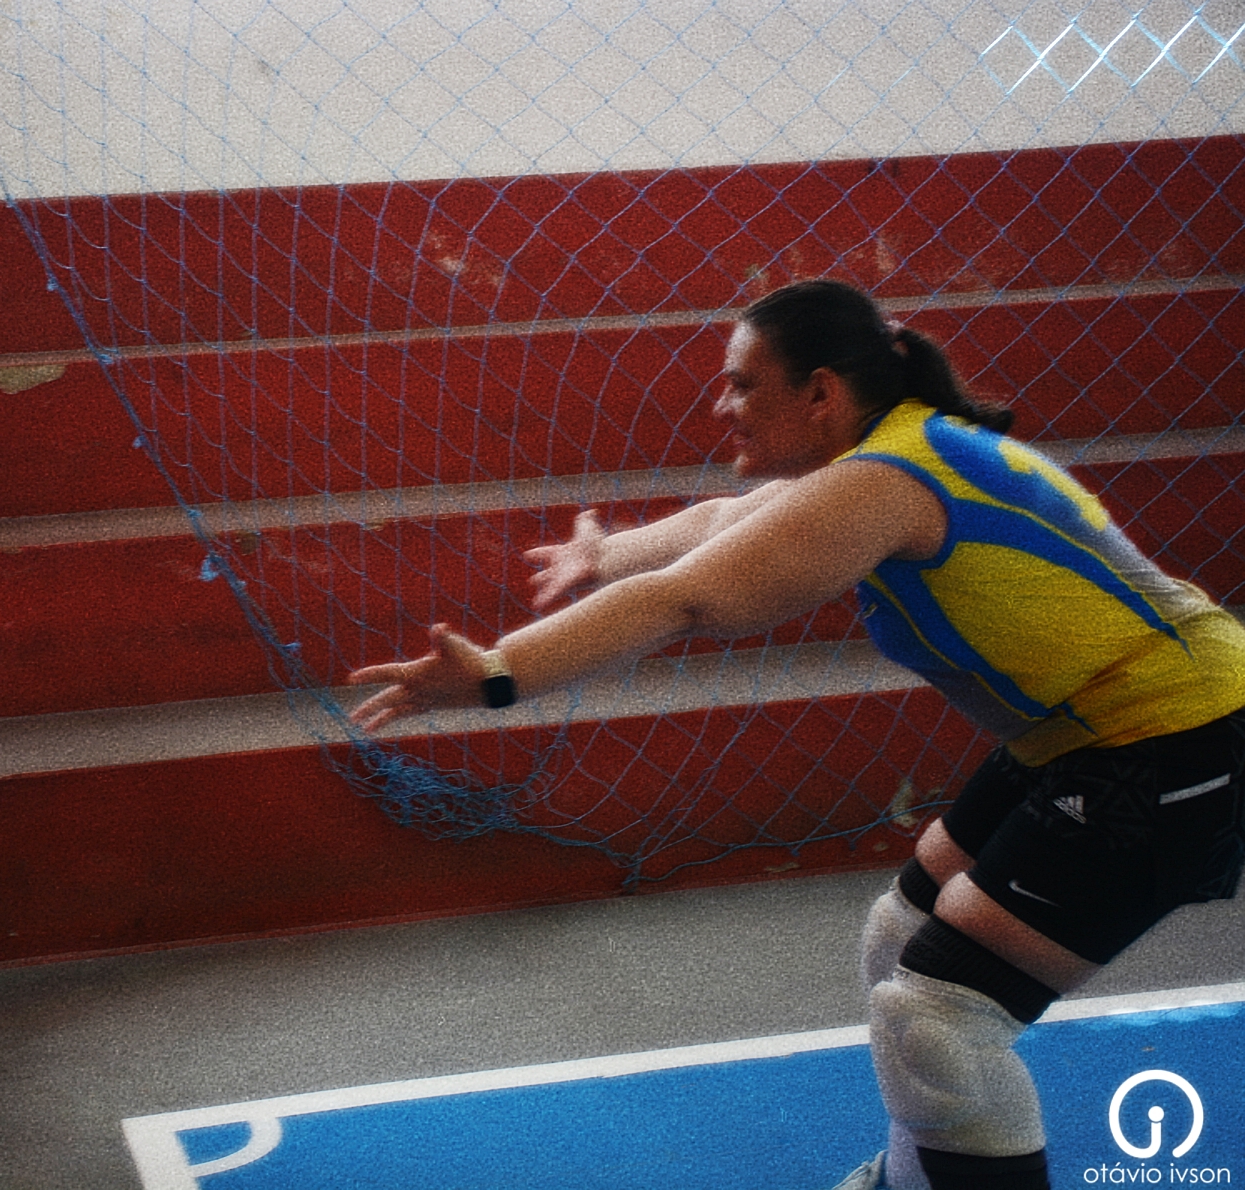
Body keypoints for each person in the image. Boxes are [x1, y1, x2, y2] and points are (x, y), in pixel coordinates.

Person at [348, 279, 1245, 1189]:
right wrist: (601, 553)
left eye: (742, 384)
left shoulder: (887, 483)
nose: (722, 406)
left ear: (820, 393)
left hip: (1175, 739)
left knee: (938, 1017)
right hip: (1097, 735)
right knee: (900, 936)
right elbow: (718, 523)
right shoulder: (892, 455)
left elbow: (684, 599)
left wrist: (497, 674)